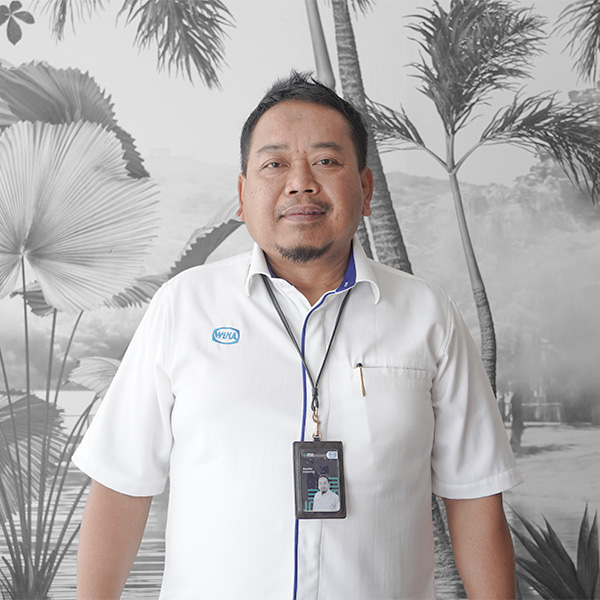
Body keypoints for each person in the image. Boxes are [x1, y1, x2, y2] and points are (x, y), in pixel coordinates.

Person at [74, 71, 522, 600]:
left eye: (327, 161)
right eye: (274, 164)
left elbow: (474, 501)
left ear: (366, 189)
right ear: (243, 195)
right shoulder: (183, 307)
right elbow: (120, 489)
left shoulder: (428, 316)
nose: (301, 183)